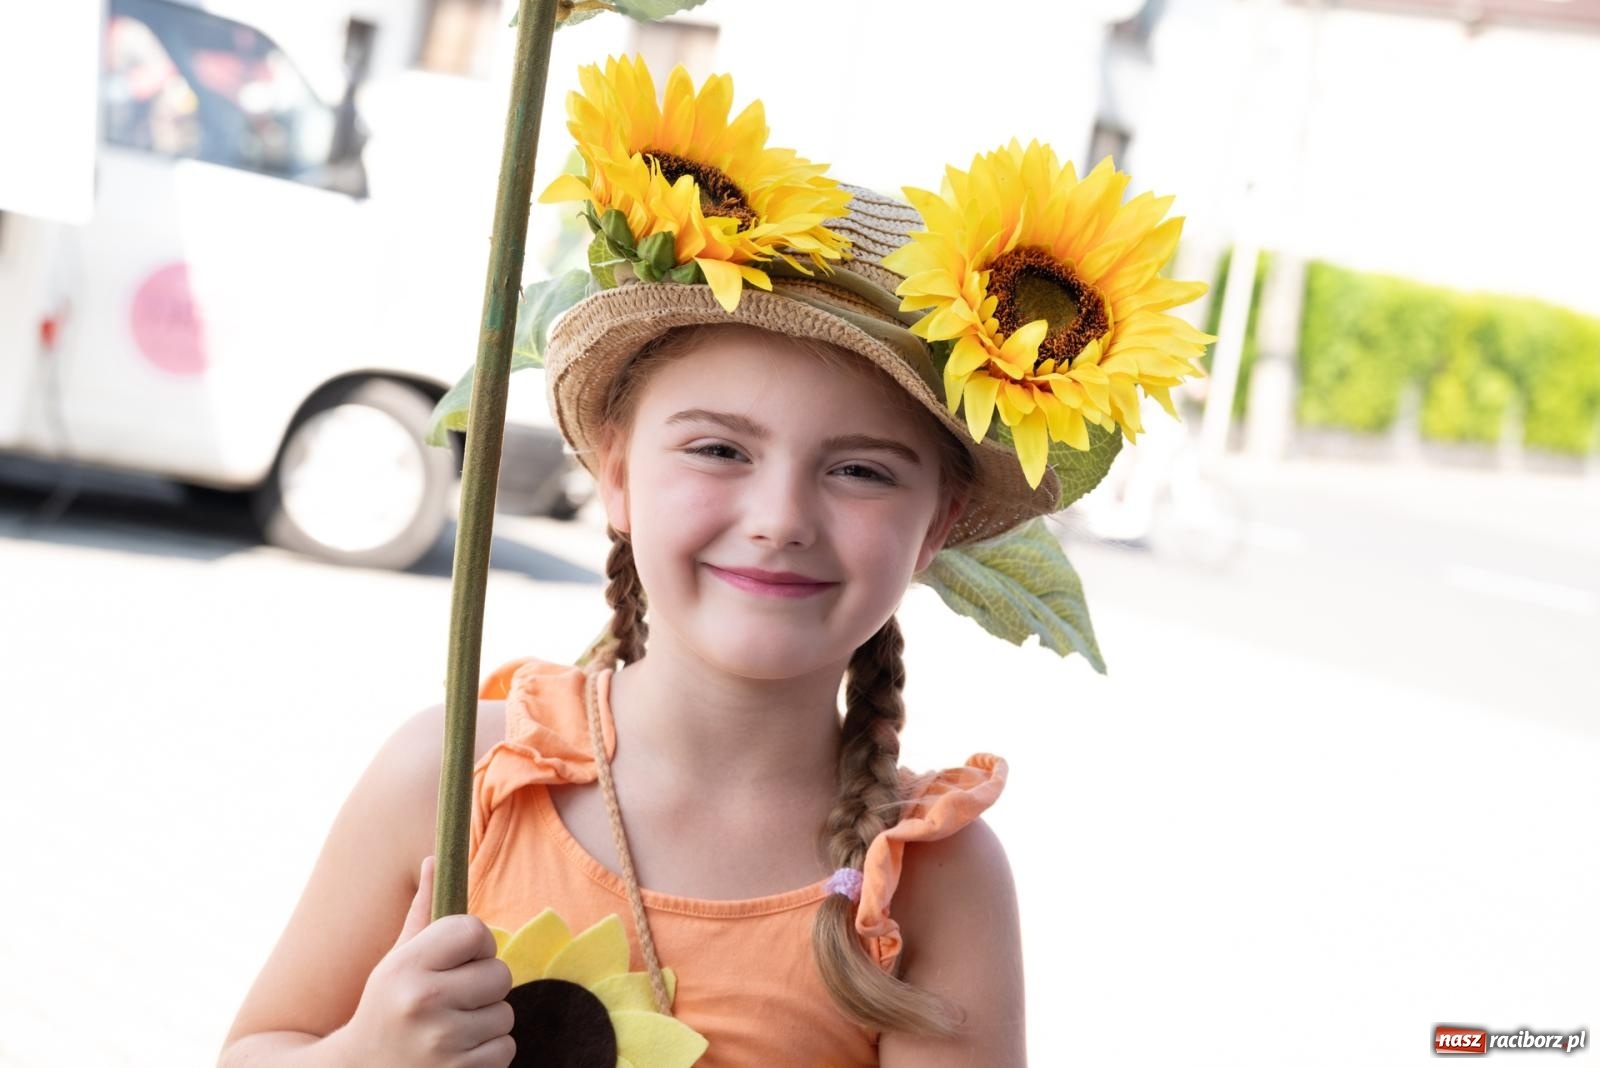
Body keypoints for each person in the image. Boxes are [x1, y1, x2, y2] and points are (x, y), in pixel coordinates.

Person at [218, 55, 1207, 1068]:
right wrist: (361, 1057)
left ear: (939, 524)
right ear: (616, 474)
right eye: (720, 449)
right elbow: (257, 1047)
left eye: (860, 470)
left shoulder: (930, 886)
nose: (779, 518)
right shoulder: (457, 776)